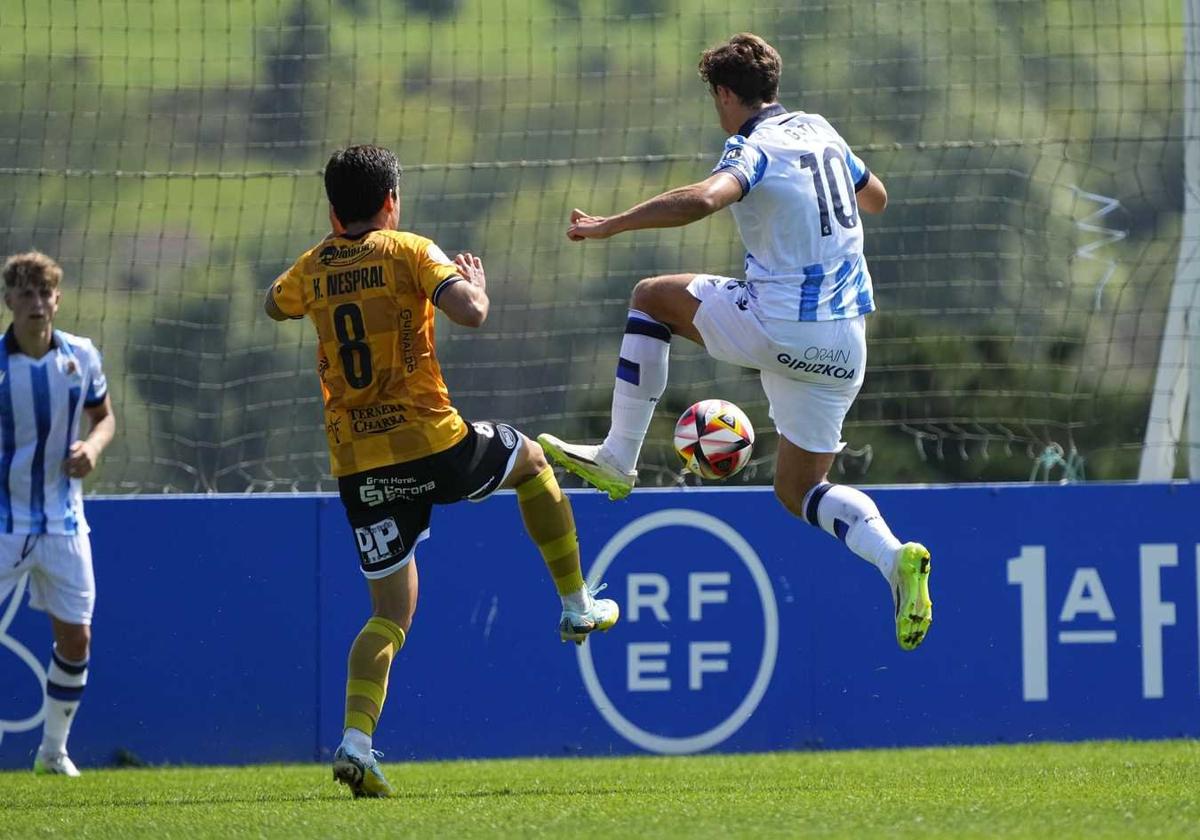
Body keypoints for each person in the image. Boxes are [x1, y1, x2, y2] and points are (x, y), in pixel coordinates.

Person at [537, 33, 932, 651]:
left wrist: (611, 224)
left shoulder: (752, 146)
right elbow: (875, 197)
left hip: (779, 324)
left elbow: (704, 198)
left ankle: (618, 457)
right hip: (846, 346)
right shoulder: (821, 130)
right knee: (798, 490)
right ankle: (894, 558)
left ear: (725, 93)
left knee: (650, 297)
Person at [265, 145, 619, 799]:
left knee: (389, 618)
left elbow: (273, 305)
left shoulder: (310, 267)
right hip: (432, 444)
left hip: (358, 464)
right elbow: (471, 313)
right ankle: (576, 606)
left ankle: (355, 744)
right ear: (391, 201)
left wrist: (320, 283)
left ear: (332, 207)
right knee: (534, 461)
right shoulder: (410, 250)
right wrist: (473, 285)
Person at [0, 251, 116, 776]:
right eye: (25, 293)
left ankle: (52, 750)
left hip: (65, 522)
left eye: (44, 293)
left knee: (77, 637)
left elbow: (104, 417)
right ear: (9, 302)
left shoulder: (82, 357)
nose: (37, 303)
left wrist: (92, 448)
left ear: (57, 300)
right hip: (5, 522)